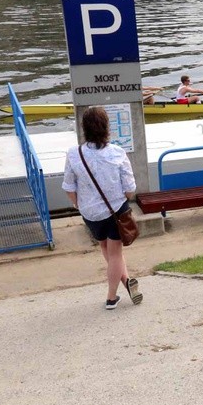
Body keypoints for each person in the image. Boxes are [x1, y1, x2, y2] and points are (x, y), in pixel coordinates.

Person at [62, 107, 144, 310]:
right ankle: (111, 297)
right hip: (116, 211)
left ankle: (125, 280)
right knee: (116, 253)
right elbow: (130, 190)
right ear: (106, 127)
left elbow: (69, 187)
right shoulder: (117, 153)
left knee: (105, 248)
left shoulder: (74, 154)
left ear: (84, 128)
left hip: (90, 214)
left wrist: (78, 205)